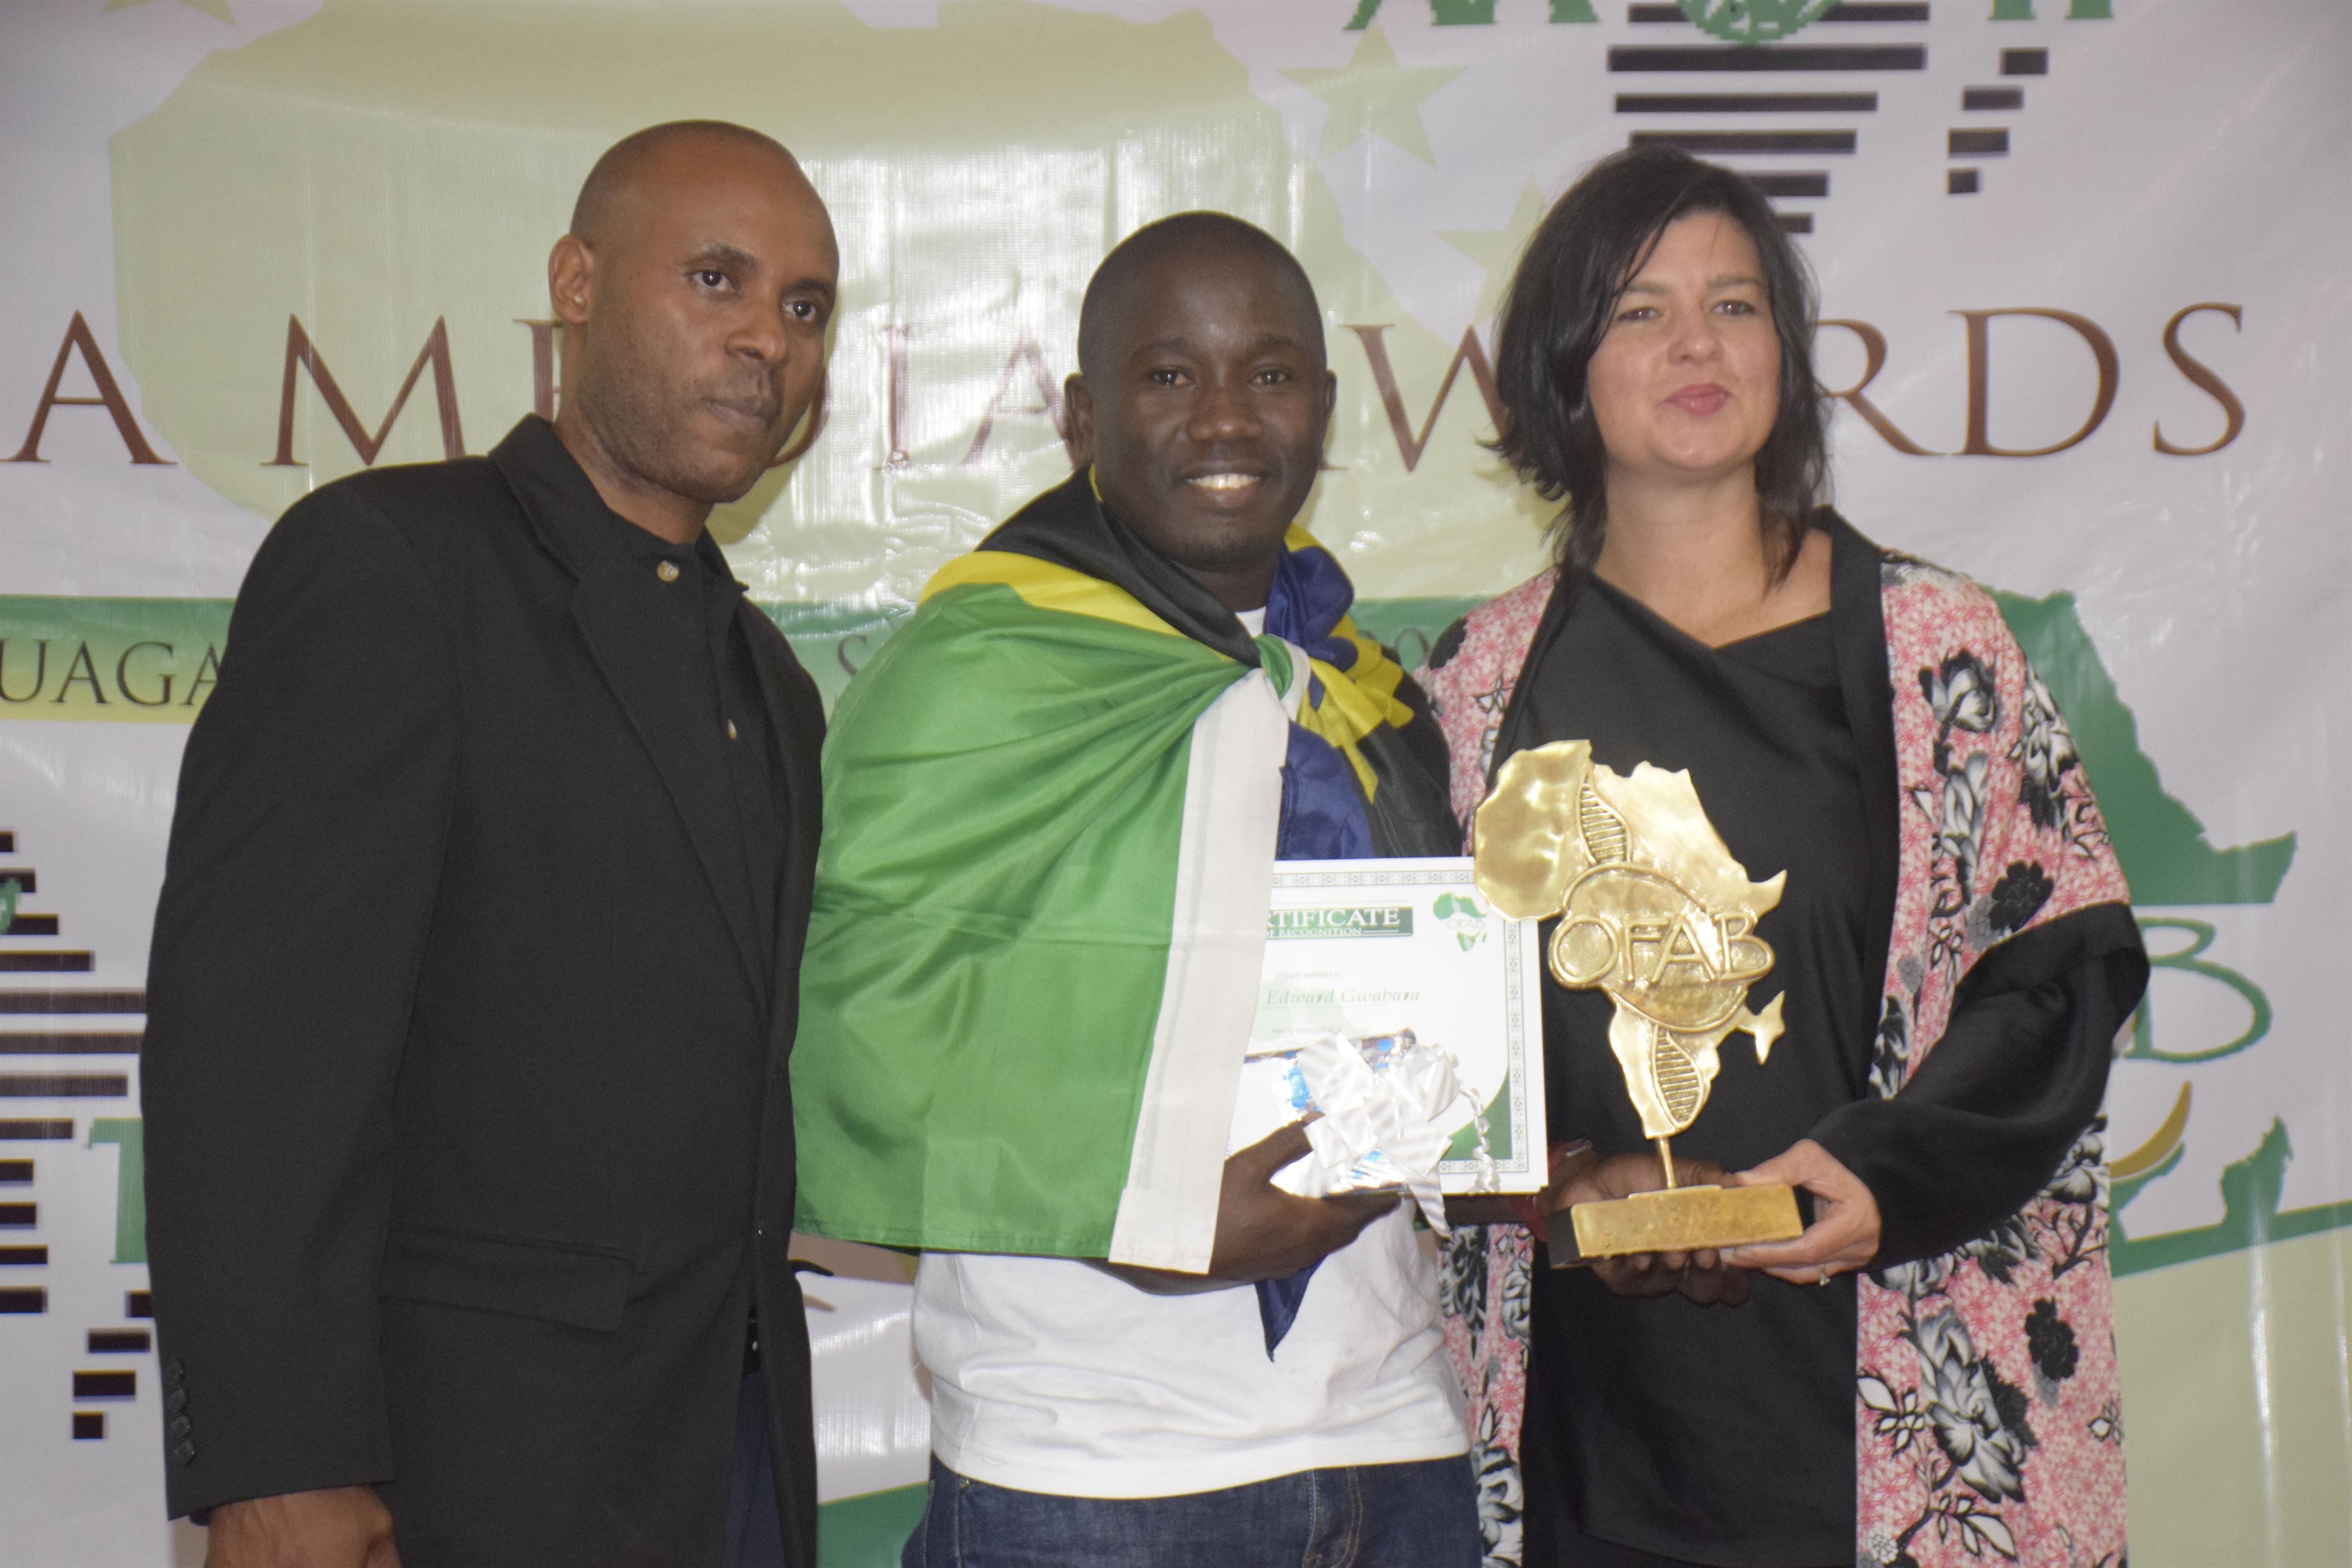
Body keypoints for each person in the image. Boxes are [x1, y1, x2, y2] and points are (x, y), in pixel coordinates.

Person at [1420, 147, 2149, 1568]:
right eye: (1641, 311)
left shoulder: (1936, 649)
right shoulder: (1477, 686)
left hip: (1901, 1395)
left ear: (1787, 357)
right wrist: (1565, 1181)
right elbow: (1423, 1055)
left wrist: (1889, 1170)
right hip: (1593, 1432)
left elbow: (2057, 972)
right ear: (1564, 371)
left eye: (1736, 306)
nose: (1697, 344)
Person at [141, 121, 838, 1568]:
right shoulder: (396, 562)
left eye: (804, 304)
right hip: (456, 1468)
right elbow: (258, 1046)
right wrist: (279, 1465)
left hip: (722, 1459)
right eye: (716, 279)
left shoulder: (767, 678)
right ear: (576, 283)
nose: (766, 339)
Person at [790, 213, 1479, 1568]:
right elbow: (863, 1025)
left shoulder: (1365, 687)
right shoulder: (972, 672)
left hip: (1392, 1436)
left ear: (1324, 406)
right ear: (1082, 414)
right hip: (1087, 1465)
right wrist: (1144, 1213)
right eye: (1169, 374)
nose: (1225, 416)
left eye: (1269, 374)